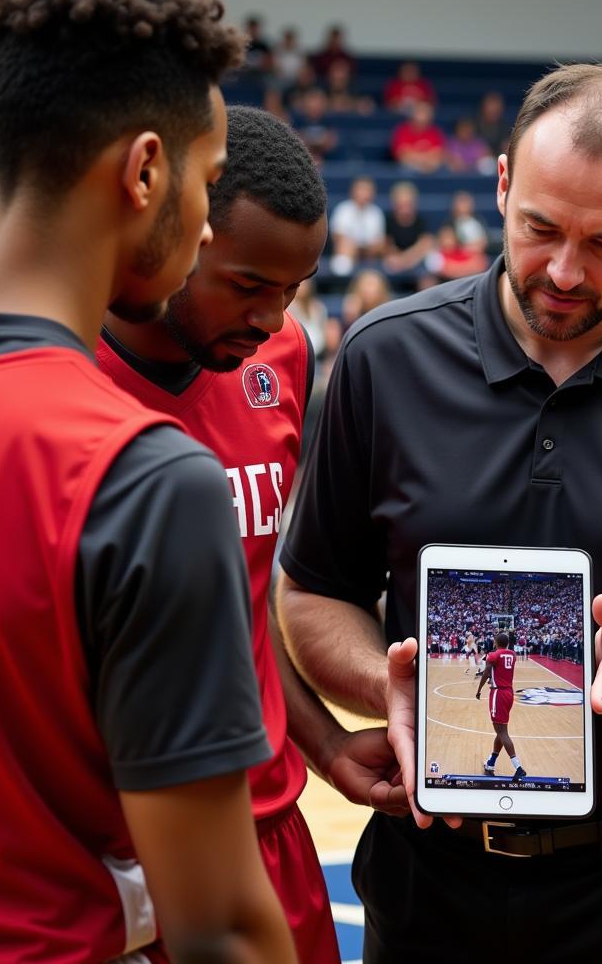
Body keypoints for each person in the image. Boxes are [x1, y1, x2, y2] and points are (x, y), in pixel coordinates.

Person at [277, 60, 602, 964]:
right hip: (429, 876)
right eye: (539, 229)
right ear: (500, 183)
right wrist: (387, 684)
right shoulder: (385, 358)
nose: (563, 271)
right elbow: (312, 594)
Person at [0, 0, 297, 961]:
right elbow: (221, 930)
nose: (208, 215)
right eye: (211, 181)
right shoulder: (139, 474)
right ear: (145, 171)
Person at [98, 105, 408, 962]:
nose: (273, 317)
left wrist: (323, 743)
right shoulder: (53, 388)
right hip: (115, 863)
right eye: (247, 284)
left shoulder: (280, 360)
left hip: (273, 830)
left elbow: (250, 604)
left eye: (293, 290)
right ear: (175, 233)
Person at [476, 633, 525, 781]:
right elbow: (499, 670)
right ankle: (490, 763)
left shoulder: (493, 655)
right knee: (501, 730)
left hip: (498, 694)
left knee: (502, 732)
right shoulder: (512, 654)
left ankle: (518, 768)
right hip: (509, 693)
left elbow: (487, 672)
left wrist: (478, 689)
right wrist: (492, 675)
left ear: (496, 642)